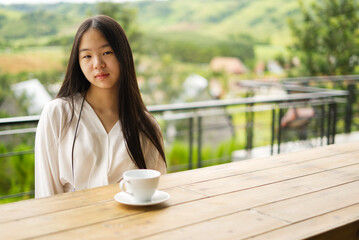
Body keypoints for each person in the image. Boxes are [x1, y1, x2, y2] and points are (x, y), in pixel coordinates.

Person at [35, 15, 167, 198]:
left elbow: (154, 193)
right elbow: (45, 193)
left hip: (129, 225)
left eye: (107, 52)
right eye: (87, 56)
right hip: (71, 223)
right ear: (78, 62)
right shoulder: (58, 113)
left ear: (123, 55)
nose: (98, 64)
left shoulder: (146, 126)